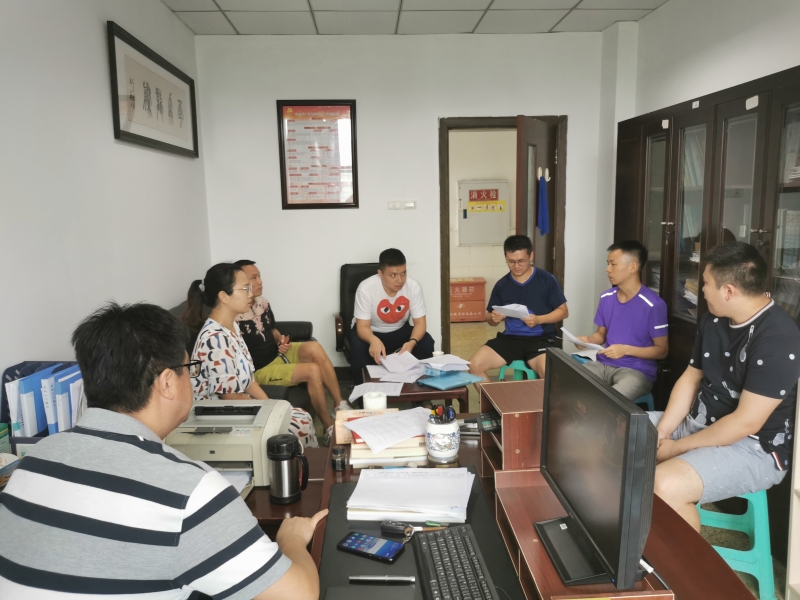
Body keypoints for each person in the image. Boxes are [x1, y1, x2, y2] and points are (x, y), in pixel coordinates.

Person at [0, 301, 327, 599]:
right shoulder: (191, 493)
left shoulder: (32, 463)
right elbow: (298, 595)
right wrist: (291, 540)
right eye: (189, 369)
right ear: (168, 382)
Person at [651, 242, 800, 531]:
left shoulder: (779, 339)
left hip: (754, 447)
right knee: (611, 432)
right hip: (697, 424)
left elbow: (745, 422)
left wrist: (675, 448)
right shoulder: (713, 318)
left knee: (665, 485)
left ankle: (684, 562)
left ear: (728, 291)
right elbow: (691, 377)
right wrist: (664, 430)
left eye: (705, 283)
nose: (701, 290)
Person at [182, 263, 320, 447]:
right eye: (245, 288)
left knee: (301, 416)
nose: (250, 293)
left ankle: (301, 464)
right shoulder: (215, 339)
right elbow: (230, 397)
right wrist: (269, 412)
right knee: (297, 426)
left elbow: (248, 380)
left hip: (237, 408)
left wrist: (270, 405)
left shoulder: (231, 326)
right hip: (218, 417)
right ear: (223, 296)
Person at [234, 260, 351, 434]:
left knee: (314, 347)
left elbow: (272, 329)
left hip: (277, 354)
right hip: (260, 369)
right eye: (254, 278)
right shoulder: (235, 313)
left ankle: (339, 404)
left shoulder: (262, 302)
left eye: (260, 276)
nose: (260, 281)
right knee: (312, 370)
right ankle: (328, 427)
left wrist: (280, 339)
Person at [575, 240, 669, 400]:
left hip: (636, 371)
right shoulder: (606, 298)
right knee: (570, 386)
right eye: (608, 264)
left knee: (609, 402)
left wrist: (625, 350)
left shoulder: (654, 305)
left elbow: (662, 351)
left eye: (613, 264)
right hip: (603, 364)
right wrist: (587, 340)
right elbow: (600, 335)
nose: (608, 269)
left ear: (633, 267)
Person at [468, 235, 568, 381]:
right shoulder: (502, 285)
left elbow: (563, 312)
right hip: (510, 338)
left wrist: (539, 320)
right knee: (474, 366)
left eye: (521, 261)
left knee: (549, 373)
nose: (516, 266)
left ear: (531, 256)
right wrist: (493, 318)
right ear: (506, 258)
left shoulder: (546, 280)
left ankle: (536, 397)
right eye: (511, 262)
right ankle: (491, 397)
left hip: (540, 339)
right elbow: (489, 318)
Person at [349, 248, 435, 384]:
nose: (399, 280)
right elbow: (362, 327)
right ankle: (364, 392)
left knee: (426, 341)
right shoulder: (366, 288)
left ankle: (421, 389)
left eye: (403, 273)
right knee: (358, 347)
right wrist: (372, 339)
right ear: (380, 274)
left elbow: (420, 323)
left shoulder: (413, 286)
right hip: (370, 332)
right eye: (393, 275)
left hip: (399, 329)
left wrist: (412, 342)